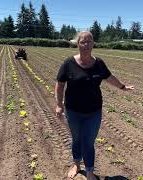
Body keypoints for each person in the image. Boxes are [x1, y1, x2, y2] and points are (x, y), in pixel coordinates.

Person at [55, 31, 134, 180]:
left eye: (89, 41)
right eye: (83, 42)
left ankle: (89, 170)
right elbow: (59, 84)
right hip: (73, 111)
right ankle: (77, 164)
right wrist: (59, 105)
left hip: (93, 112)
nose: (86, 45)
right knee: (76, 139)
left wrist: (122, 87)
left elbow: (109, 77)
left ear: (93, 44)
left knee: (88, 141)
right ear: (78, 44)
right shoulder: (68, 63)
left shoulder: (98, 63)